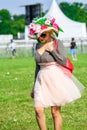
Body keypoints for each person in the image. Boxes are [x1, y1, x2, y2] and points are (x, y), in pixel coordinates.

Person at [29, 17, 84, 130]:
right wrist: (34, 86)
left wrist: (52, 50)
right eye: (38, 35)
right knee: (38, 110)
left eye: (43, 35)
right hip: (41, 79)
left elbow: (63, 60)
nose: (40, 38)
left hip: (55, 78)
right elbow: (37, 67)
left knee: (55, 112)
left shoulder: (57, 43)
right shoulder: (37, 45)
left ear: (50, 33)